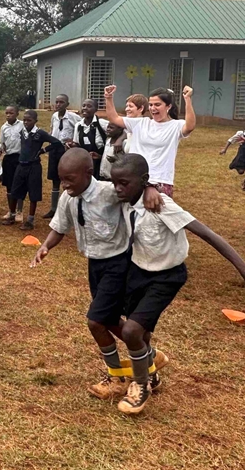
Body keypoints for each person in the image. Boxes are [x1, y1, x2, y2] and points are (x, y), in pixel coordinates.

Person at [110, 153, 245, 414]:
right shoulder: (121, 197)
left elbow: (208, 234)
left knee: (131, 331)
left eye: (124, 183)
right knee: (140, 333)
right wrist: (146, 185)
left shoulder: (161, 205)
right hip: (137, 271)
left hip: (166, 277)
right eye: (115, 183)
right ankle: (151, 367)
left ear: (142, 181)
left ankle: (140, 385)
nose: (118, 188)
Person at [31, 149, 164, 401]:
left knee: (95, 321)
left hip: (118, 264)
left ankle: (116, 377)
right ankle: (148, 362)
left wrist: (150, 188)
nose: (65, 184)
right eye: (62, 178)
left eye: (70, 178)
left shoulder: (108, 192)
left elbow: (134, 188)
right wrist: (46, 245)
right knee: (110, 320)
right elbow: (60, 227)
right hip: (95, 265)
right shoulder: (69, 197)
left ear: (88, 173)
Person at [105, 85, 196, 197]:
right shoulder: (140, 123)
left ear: (168, 106)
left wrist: (187, 99)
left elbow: (190, 126)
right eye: (151, 105)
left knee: (156, 214)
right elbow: (114, 118)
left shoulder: (176, 126)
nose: (153, 108)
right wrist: (108, 97)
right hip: (135, 180)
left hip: (160, 181)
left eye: (157, 105)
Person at [3, 110, 62, 230]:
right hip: (21, 165)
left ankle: (30, 220)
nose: (26, 122)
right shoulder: (22, 132)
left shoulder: (39, 133)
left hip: (33, 166)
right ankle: (12, 215)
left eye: (29, 120)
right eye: (24, 120)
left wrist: (43, 150)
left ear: (35, 121)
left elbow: (56, 142)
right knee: (15, 191)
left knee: (33, 194)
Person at [45, 94, 80, 219]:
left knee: (68, 179)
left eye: (61, 102)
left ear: (67, 104)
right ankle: (53, 209)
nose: (58, 104)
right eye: (57, 102)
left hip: (66, 150)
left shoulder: (73, 117)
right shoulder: (54, 116)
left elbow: (81, 127)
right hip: (55, 149)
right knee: (55, 179)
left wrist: (74, 139)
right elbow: (52, 130)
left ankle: (67, 210)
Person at [71, 99, 109, 179]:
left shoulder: (101, 123)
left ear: (96, 109)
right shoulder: (78, 126)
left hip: (100, 163)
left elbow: (118, 130)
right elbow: (77, 143)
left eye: (89, 106)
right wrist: (71, 145)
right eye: (83, 106)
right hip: (85, 163)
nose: (85, 108)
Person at [0, 105, 24, 223]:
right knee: (9, 186)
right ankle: (11, 210)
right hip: (8, 158)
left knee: (19, 184)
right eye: (7, 113)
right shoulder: (4, 127)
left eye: (11, 113)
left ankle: (19, 210)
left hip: (20, 158)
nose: (9, 115)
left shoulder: (22, 125)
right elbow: (3, 144)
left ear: (17, 114)